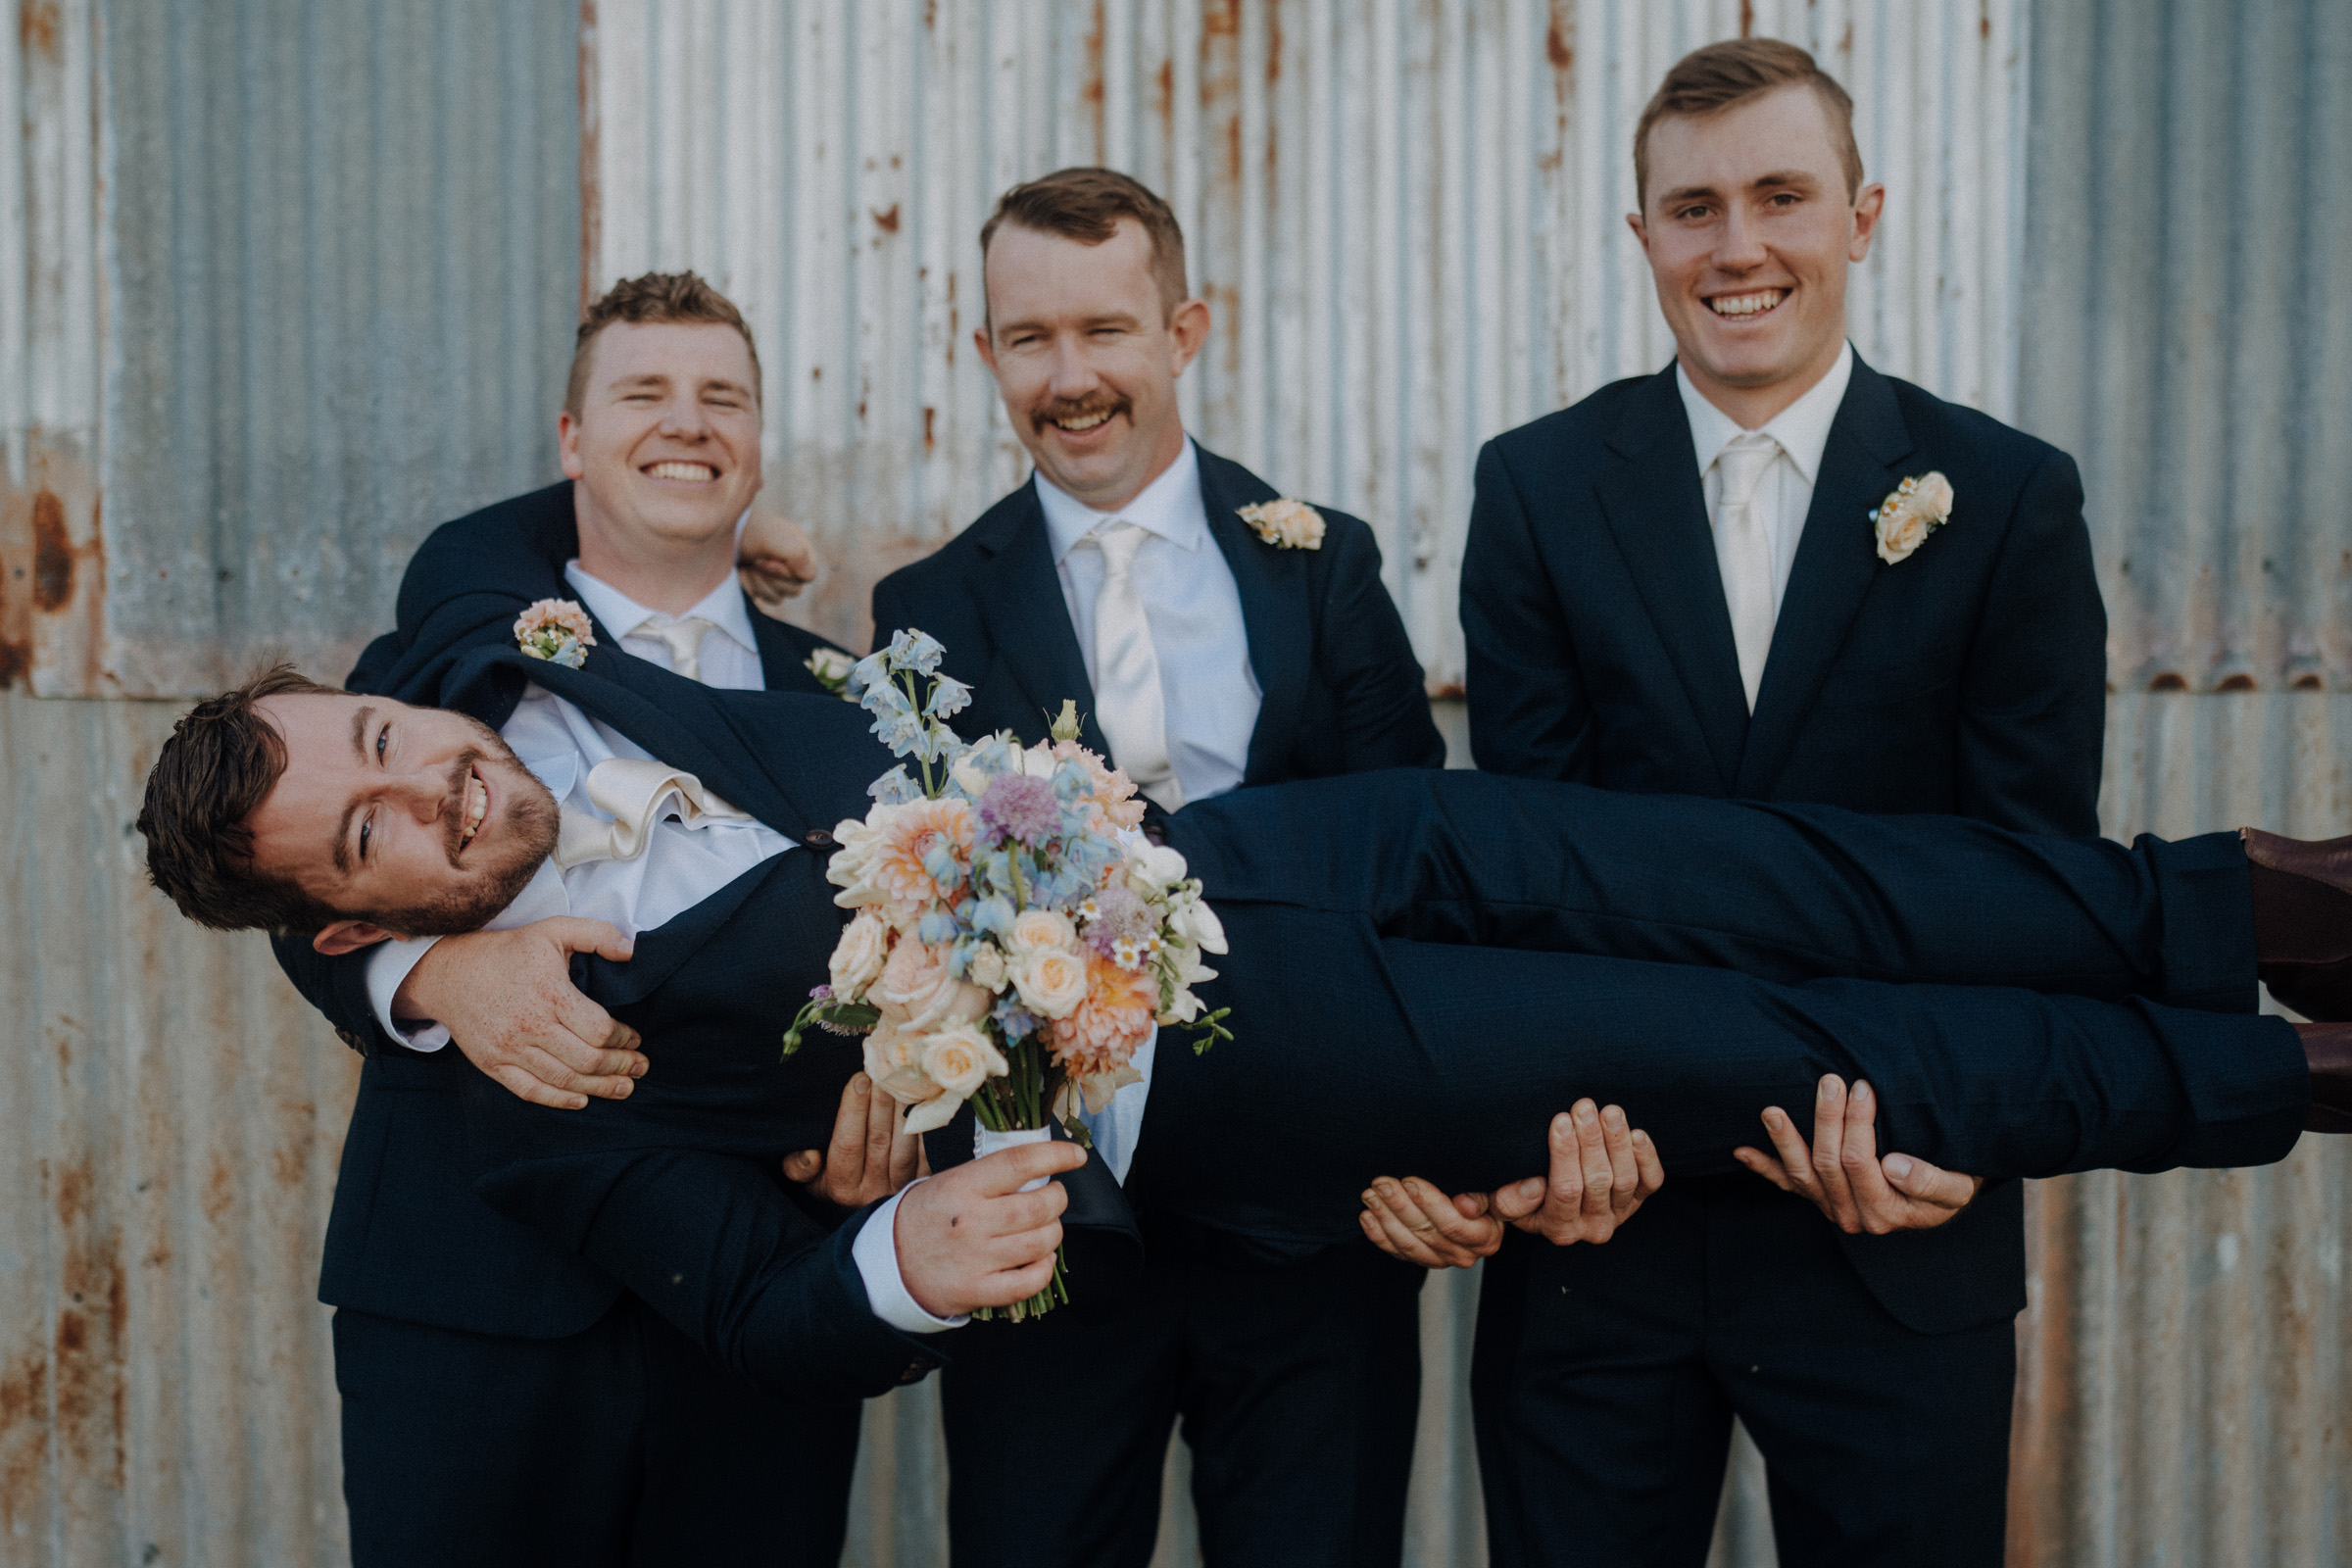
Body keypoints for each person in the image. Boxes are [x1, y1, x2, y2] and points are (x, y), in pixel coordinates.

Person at [141, 650, 2352, 1396]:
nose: (422, 783)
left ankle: (2258, 896)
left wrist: (419, 960)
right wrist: (910, 1249)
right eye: (371, 849)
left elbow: (357, 752)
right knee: (1772, 1036)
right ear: (327, 927)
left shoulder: (486, 638)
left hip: (1285, 839)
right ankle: (2283, 1071)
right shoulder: (537, 1074)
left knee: (1768, 865)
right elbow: (741, 1295)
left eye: (377, 730)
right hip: (1252, 1063)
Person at [1452, 39, 2106, 1566]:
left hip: (1893, 1230)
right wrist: (1560, 1133)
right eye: (1693, 209)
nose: (1737, 247)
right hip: (1601, 1228)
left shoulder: (2005, 495)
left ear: (1862, 218)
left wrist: (1947, 1132)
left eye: (1781, 196)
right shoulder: (1537, 488)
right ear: (1643, 240)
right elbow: (1529, 867)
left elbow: (2029, 873)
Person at [835, 167, 1449, 1567]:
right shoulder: (924, 609)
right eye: (1028, 339)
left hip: (1312, 1225)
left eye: (1106, 331)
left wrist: (1425, 1142)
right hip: (1052, 1231)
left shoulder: (1320, 568)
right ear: (986, 352)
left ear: (1185, 329)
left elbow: (1416, 860)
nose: (1071, 378)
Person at [263, 269, 875, 1568]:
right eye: (643, 392)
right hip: (466, 1305)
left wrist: (893, 1130)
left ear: (761, 441)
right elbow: (295, 886)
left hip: (754, 1313)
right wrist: (432, 979)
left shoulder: (851, 698)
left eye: (724, 397)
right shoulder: (458, 661)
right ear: (571, 442)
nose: (687, 423)